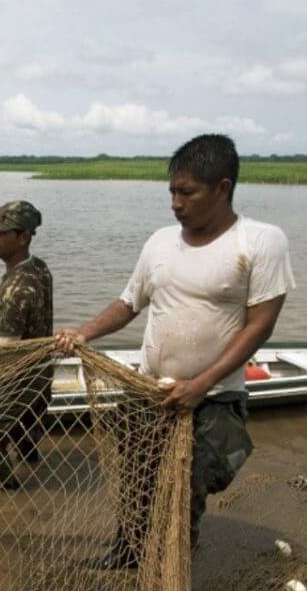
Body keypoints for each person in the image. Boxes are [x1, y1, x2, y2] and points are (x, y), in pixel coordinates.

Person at [56, 133, 295, 564]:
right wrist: (84, 333)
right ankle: (127, 556)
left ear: (222, 188)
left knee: (185, 488)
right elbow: (130, 301)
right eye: (172, 192)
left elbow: (260, 325)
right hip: (148, 391)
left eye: (187, 192)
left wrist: (201, 384)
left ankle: (173, 572)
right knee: (137, 480)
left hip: (215, 399)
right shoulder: (160, 242)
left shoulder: (260, 241)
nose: (175, 203)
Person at [0, 200, 53, 491]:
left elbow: (3, 351)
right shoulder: (38, 269)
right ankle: (32, 461)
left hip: (21, 379)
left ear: (23, 237)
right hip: (42, 376)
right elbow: (30, 311)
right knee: (19, 427)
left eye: (1, 233)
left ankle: (12, 497)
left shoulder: (17, 289)